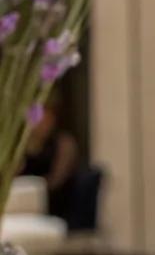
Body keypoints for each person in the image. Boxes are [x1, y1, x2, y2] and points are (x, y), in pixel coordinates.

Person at [20, 95, 101, 230]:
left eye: (45, 117)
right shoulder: (21, 147)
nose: (40, 123)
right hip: (27, 202)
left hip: (57, 202)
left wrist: (35, 191)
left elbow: (57, 180)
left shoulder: (63, 143)